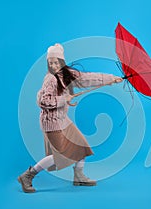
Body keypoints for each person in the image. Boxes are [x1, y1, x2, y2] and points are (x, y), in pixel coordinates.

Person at [18, 43, 123, 193]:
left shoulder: (67, 75)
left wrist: (112, 79)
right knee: (60, 156)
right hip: (51, 123)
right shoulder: (51, 80)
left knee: (81, 146)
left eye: (56, 62)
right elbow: (43, 101)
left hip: (62, 120)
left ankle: (78, 176)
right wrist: (64, 99)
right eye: (50, 62)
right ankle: (28, 175)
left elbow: (88, 78)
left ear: (62, 62)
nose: (53, 65)